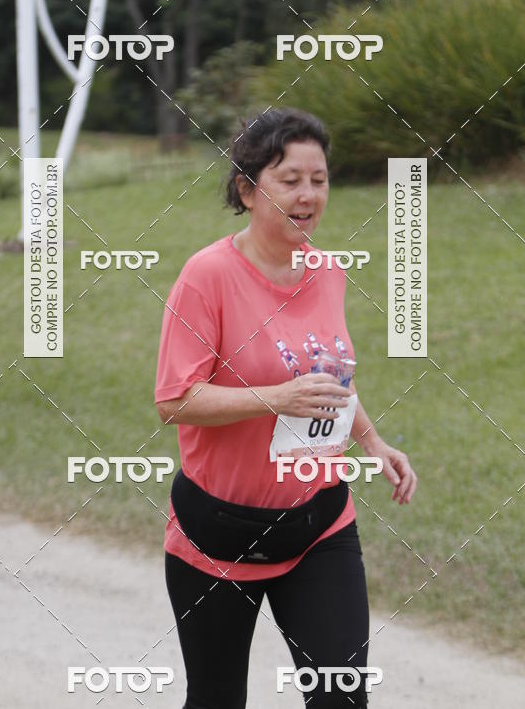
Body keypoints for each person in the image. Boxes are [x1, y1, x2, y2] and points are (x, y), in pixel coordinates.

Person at [154, 108, 417, 709]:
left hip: (318, 523)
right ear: (247, 190)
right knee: (217, 700)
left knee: (341, 699)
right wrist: (274, 399)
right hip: (219, 535)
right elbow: (174, 400)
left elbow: (330, 375)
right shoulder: (206, 276)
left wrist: (372, 442)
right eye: (290, 180)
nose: (308, 195)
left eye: (319, 180)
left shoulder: (328, 270)